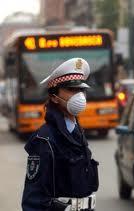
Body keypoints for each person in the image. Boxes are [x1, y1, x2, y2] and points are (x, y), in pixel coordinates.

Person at [22, 58, 99, 211]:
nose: (79, 96)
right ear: (53, 97)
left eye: (80, 90)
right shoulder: (44, 139)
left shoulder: (78, 133)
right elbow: (33, 200)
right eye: (71, 90)